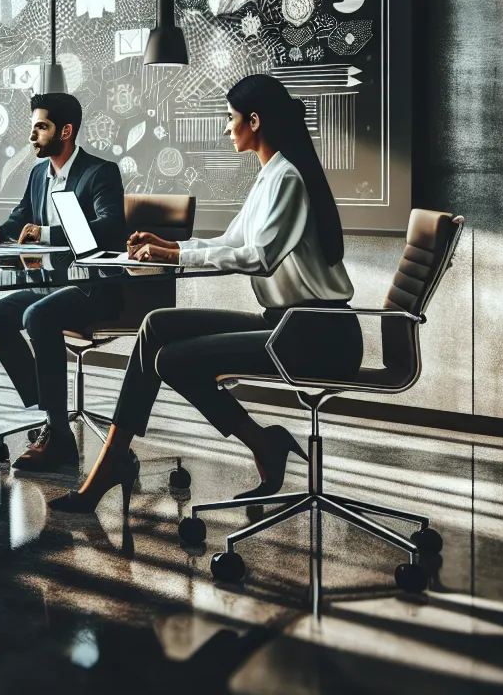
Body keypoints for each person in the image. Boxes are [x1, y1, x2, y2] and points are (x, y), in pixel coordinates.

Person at [50, 74, 360, 514]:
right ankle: (115, 462)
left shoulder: (287, 178)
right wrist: (169, 247)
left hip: (318, 334)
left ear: (254, 121)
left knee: (172, 359)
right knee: (157, 325)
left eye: (230, 119)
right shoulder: (271, 176)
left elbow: (258, 257)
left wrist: (173, 255)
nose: (227, 128)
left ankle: (257, 442)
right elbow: (231, 243)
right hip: (286, 324)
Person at [0, 92, 126, 473]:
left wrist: (46, 234)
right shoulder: (39, 173)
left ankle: (58, 435)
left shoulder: (100, 172)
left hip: (97, 288)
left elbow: (109, 228)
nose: (32, 136)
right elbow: (20, 216)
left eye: (41, 127)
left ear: (66, 131)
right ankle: (47, 408)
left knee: (37, 317)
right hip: (51, 285)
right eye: (34, 127)